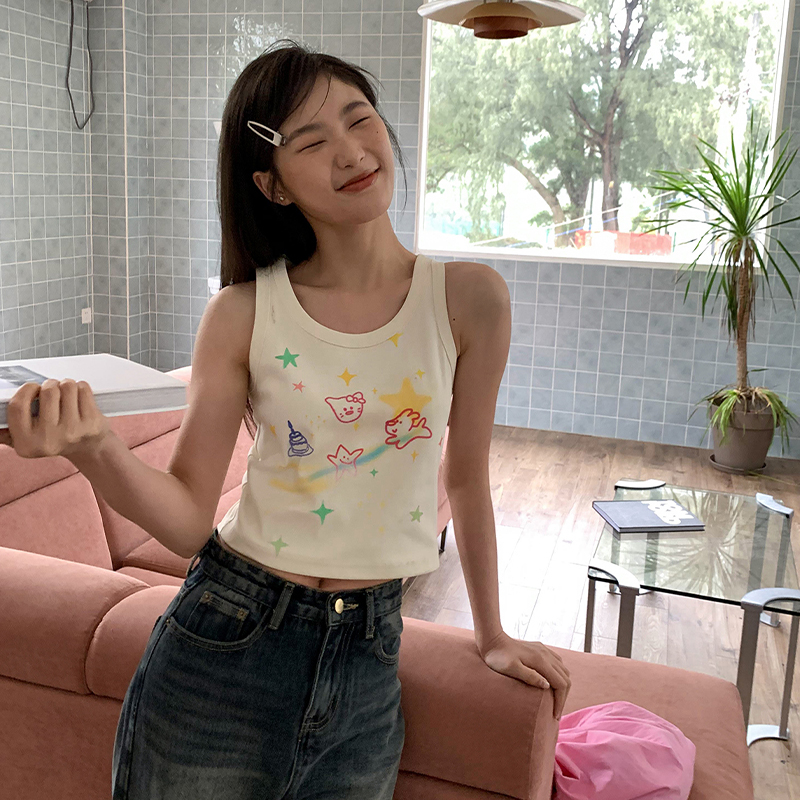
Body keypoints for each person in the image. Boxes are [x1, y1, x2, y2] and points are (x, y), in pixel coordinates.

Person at [0, 38, 570, 800]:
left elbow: (465, 477)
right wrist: (94, 447)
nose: (351, 151)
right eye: (311, 140)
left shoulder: (471, 299)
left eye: (358, 119)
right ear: (271, 185)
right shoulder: (241, 313)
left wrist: (492, 633)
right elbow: (187, 520)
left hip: (368, 659)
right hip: (222, 642)